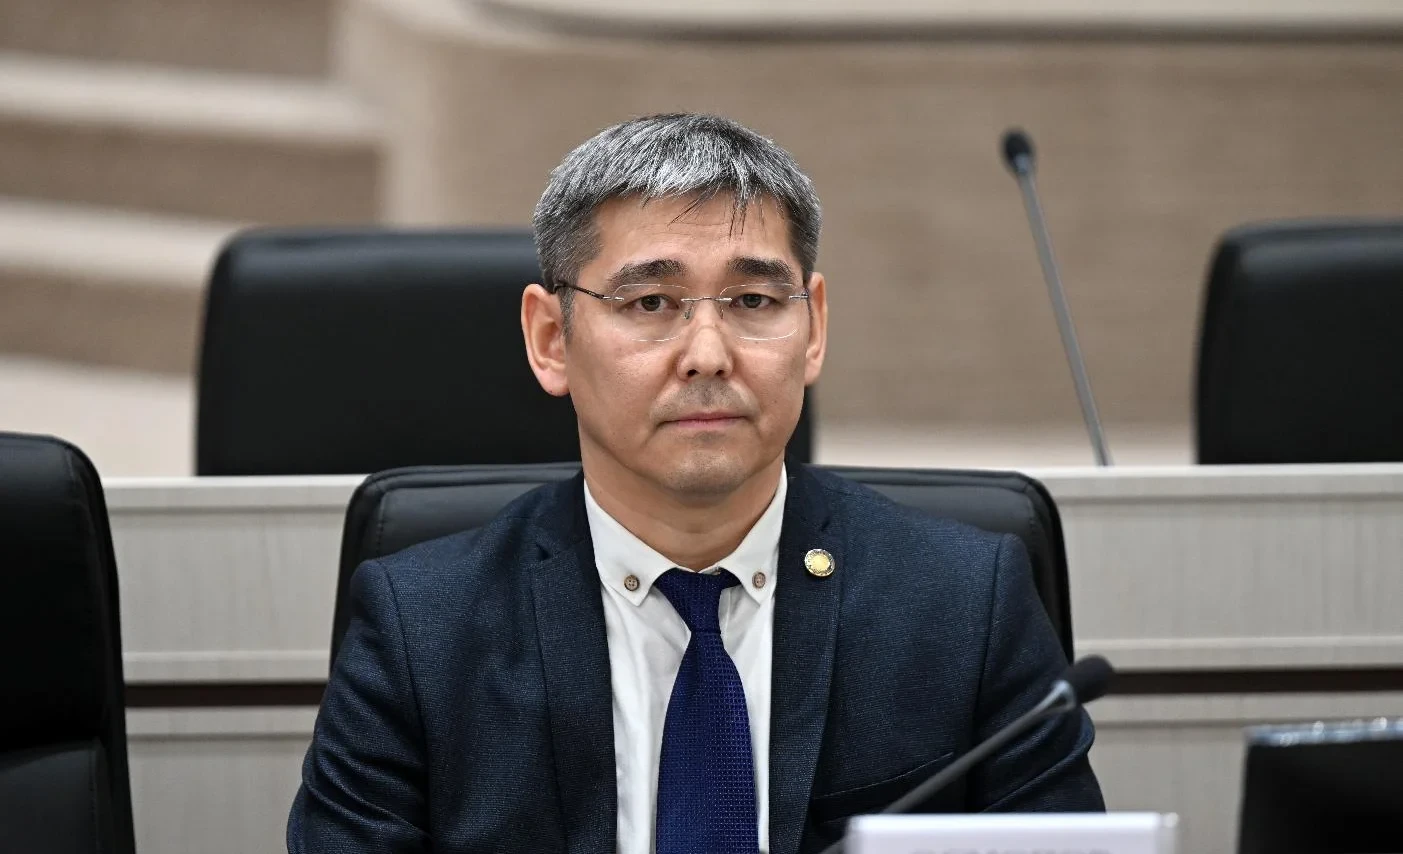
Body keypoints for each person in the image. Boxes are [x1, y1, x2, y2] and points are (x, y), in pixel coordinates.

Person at [287, 113, 1103, 854]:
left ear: (813, 328)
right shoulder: (421, 629)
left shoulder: (964, 604)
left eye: (752, 299)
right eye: (650, 302)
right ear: (550, 339)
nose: (708, 354)